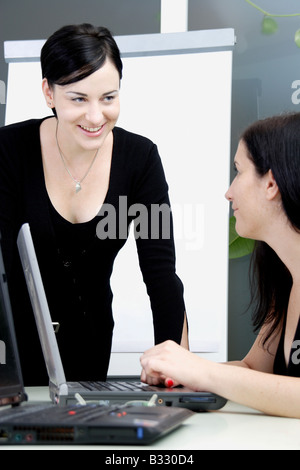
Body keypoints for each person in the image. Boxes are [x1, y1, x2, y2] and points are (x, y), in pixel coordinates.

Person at [0, 23, 188, 385]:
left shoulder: (140, 159)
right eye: (78, 99)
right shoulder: (9, 151)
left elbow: (162, 275)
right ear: (49, 93)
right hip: (12, 355)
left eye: (108, 97)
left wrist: (177, 371)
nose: (95, 117)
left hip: (90, 347)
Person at [141, 112, 300, 418]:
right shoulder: (286, 281)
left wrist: (201, 371)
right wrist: (181, 374)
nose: (229, 192)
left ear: (270, 184)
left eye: (238, 172)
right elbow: (254, 370)